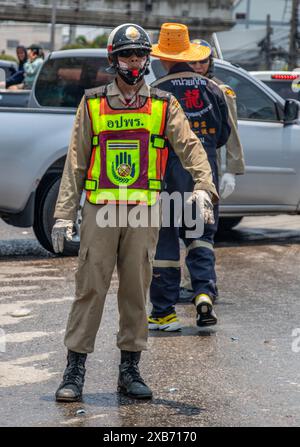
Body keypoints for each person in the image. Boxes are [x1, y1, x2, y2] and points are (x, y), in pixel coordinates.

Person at [51, 23, 218, 402]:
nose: (134, 61)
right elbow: (75, 163)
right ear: (115, 59)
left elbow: (192, 148)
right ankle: (74, 370)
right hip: (101, 210)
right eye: (127, 54)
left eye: (141, 54)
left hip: (142, 212)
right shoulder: (93, 103)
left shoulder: (163, 104)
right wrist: (64, 213)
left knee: (135, 291)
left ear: (148, 59)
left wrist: (205, 188)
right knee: (90, 288)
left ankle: (130, 370)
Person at [148, 23, 231, 332]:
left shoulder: (157, 92)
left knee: (166, 241)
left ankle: (163, 311)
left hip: (167, 177)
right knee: (201, 239)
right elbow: (223, 135)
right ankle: (204, 295)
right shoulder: (212, 88)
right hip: (202, 178)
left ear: (163, 58)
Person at [179, 39, 245, 302]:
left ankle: (200, 285)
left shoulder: (220, 91)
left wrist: (232, 169)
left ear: (210, 62)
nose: (197, 66)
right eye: (192, 61)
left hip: (206, 169)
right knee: (178, 227)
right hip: (176, 168)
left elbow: (232, 134)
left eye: (202, 61)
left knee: (201, 230)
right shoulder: (176, 89)